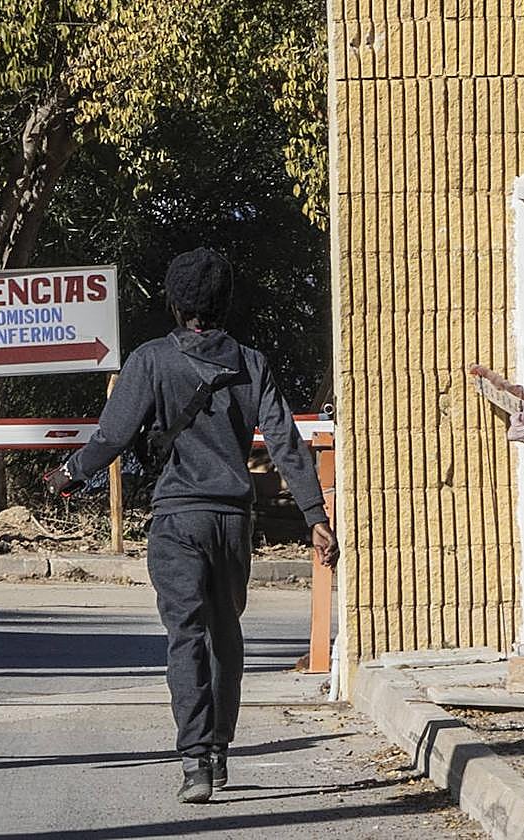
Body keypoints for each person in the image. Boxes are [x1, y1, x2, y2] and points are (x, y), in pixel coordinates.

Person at [45, 248, 338, 804]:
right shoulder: (251, 364)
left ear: (174, 302)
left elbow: (112, 436)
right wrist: (314, 516)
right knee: (225, 633)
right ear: (225, 301)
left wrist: (69, 474)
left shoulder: (151, 361)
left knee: (186, 636)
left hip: (177, 519)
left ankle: (195, 761)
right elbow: (284, 441)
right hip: (233, 522)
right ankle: (220, 751)